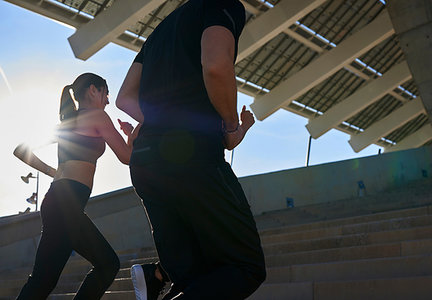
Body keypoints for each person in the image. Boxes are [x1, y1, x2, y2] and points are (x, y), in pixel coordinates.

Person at [116, 0, 266, 299]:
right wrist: (229, 124)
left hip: (146, 162)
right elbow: (215, 66)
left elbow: (125, 98)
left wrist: (163, 123)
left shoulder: (162, 28)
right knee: (245, 267)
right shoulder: (222, 6)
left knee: (194, 277)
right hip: (191, 159)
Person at [14, 73, 140, 300]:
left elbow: (20, 150)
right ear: (93, 90)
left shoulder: (67, 122)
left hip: (57, 200)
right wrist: (132, 134)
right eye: (106, 93)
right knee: (107, 264)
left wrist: (55, 173)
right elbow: (127, 156)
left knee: (44, 279)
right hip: (66, 205)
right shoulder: (98, 117)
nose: (108, 101)